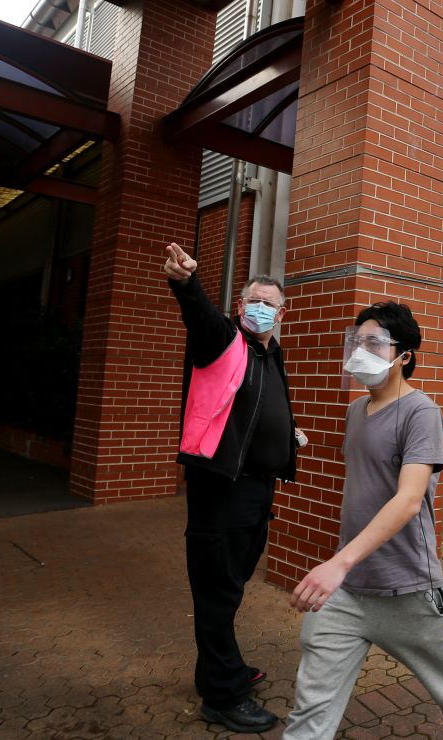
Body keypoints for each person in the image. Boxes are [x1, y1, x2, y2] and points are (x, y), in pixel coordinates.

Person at [284, 303, 443, 739]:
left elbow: (409, 500)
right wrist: (343, 566)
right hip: (347, 590)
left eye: (373, 342)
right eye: (356, 341)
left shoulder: (421, 414)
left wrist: (337, 562)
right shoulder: (356, 410)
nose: (360, 350)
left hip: (406, 587)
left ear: (404, 356)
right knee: (310, 707)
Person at [164, 243, 301, 733]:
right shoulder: (223, 340)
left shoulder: (269, 354)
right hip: (221, 490)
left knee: (230, 585)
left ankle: (220, 669)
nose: (262, 307)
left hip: (258, 492)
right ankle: (222, 696)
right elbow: (200, 318)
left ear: (282, 313)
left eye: (272, 302)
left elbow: (256, 410)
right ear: (241, 306)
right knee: (216, 592)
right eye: (254, 299)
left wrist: (287, 437)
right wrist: (186, 284)